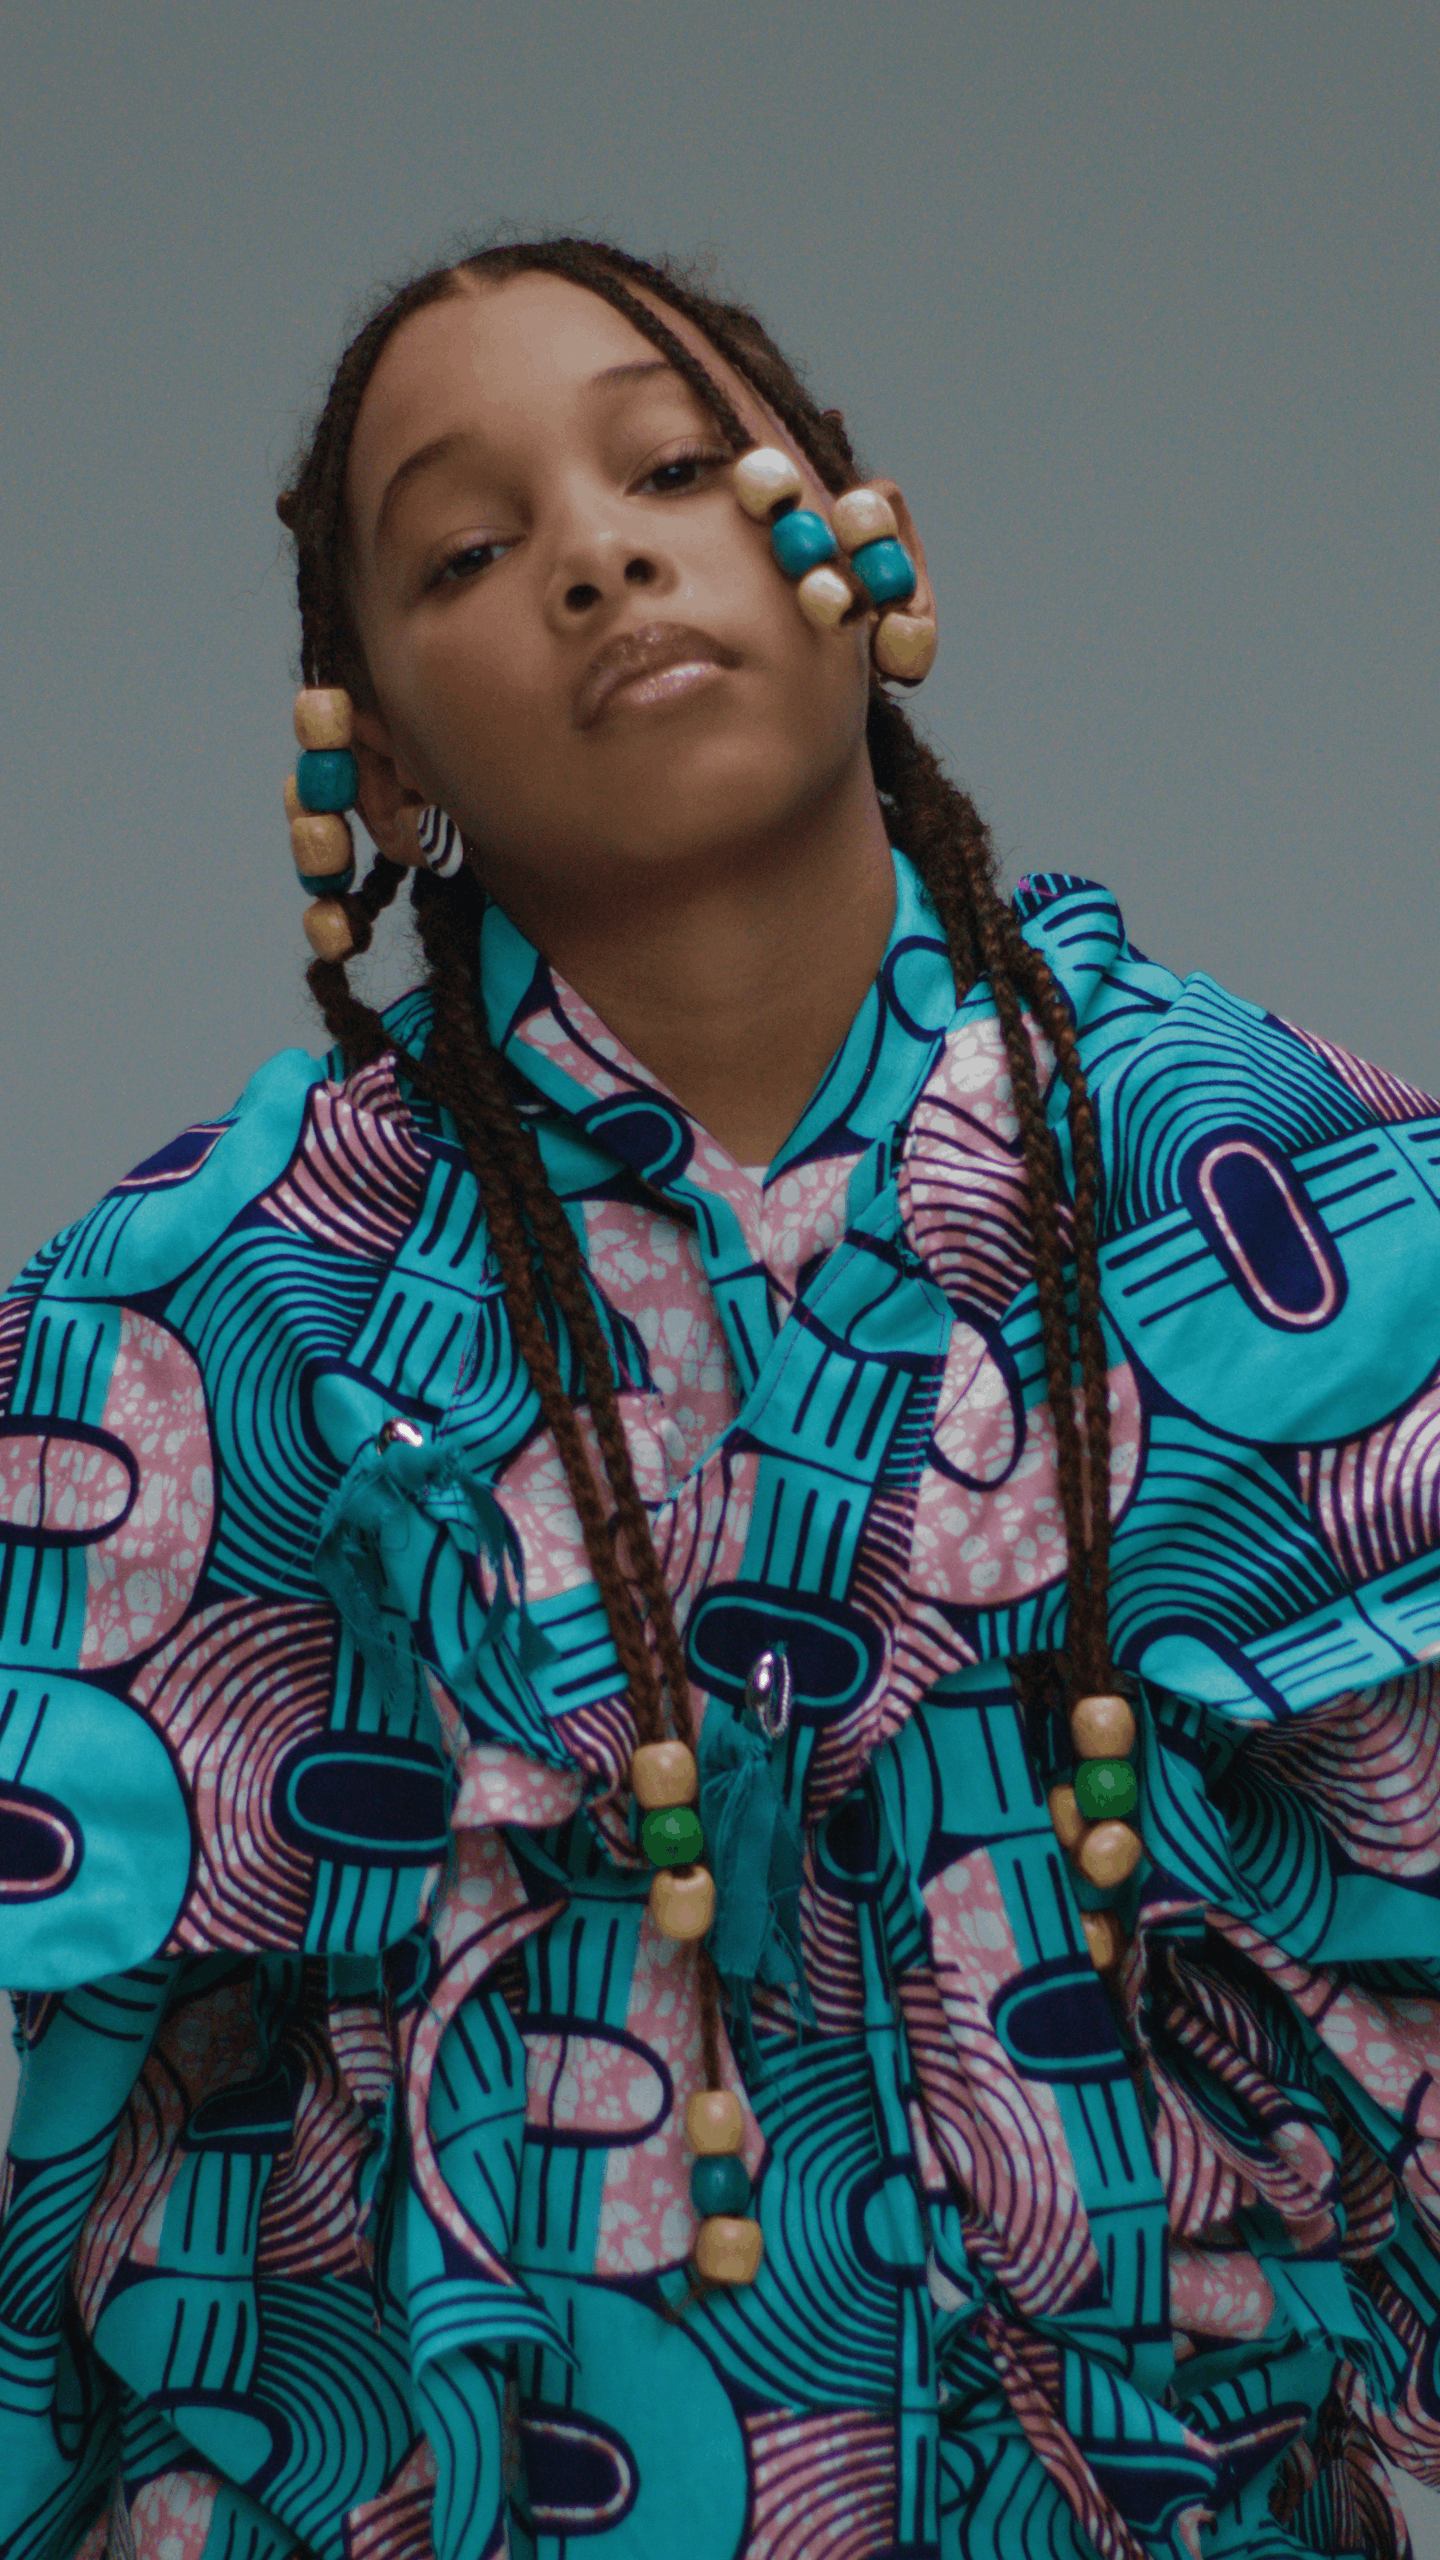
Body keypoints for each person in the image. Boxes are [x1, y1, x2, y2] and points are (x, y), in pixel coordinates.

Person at [2, 235, 1438, 2560]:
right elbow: (107, 2114)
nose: (597, 549)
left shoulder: (1256, 1174)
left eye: (673, 462)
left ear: (871, 557)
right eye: (469, 548)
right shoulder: (215, 1312)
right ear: (364, 754)